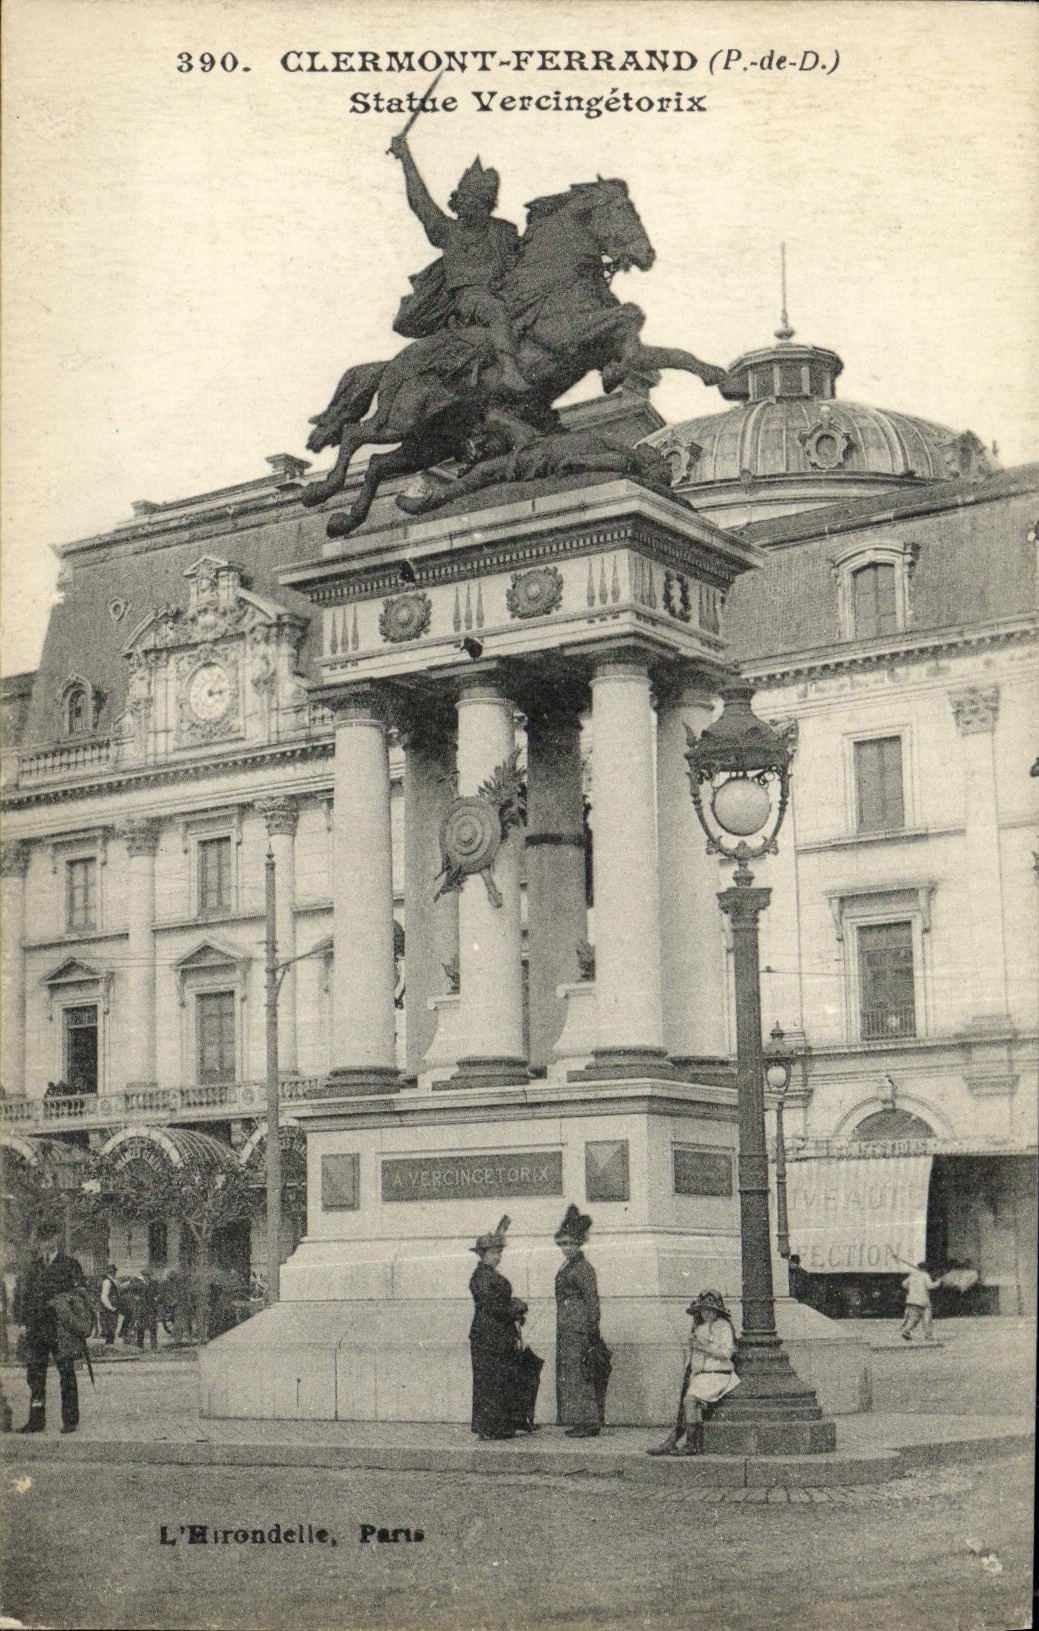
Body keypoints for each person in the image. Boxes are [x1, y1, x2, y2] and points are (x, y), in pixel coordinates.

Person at [388, 134, 528, 396]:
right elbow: (420, 202)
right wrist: (406, 159)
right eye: (462, 202)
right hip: (470, 299)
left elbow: (524, 258)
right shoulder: (447, 231)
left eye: (474, 203)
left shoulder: (504, 231)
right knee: (495, 309)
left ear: (486, 206)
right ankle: (509, 369)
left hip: (507, 291)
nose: (465, 208)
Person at [648, 1290, 740, 1457]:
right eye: (704, 1310)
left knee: (690, 1400)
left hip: (718, 1373)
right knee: (688, 1402)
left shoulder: (724, 1327)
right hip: (701, 1375)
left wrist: (703, 1347)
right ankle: (678, 1440)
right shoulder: (698, 1329)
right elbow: (693, 1358)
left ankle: (689, 1443)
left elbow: (727, 1353)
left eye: (712, 1310)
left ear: (718, 1312)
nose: (708, 1314)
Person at [16, 1227, 88, 1435]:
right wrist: (23, 1323)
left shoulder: (70, 1265)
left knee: (67, 1374)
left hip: (61, 1329)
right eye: (42, 1239)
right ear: (38, 1242)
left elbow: (80, 1296)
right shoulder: (33, 1267)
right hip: (37, 1330)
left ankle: (70, 1420)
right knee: (35, 1377)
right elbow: (24, 1297)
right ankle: (36, 1421)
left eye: (50, 1238)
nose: (46, 1243)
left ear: (58, 1239)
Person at [554, 1204, 608, 1438]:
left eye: (571, 1243)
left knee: (582, 1373)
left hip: (579, 1328)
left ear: (579, 1244)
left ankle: (589, 1421)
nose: (567, 1248)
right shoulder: (567, 1266)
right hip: (567, 1326)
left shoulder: (584, 1269)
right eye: (564, 1244)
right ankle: (578, 1420)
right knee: (572, 1374)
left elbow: (592, 1300)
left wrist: (591, 1329)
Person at [468, 1216, 521, 1441]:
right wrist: (515, 1309)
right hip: (488, 1335)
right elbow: (492, 1306)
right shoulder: (480, 1277)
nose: (496, 1257)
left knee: (500, 1379)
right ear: (482, 1255)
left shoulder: (490, 1275)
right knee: (490, 1381)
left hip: (499, 1334)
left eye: (498, 1253)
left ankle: (500, 1425)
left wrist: (514, 1307)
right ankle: (490, 1427)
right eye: (491, 1253)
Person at [510, 1299, 544, 1435]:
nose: (522, 1319)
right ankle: (523, 1420)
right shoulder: (512, 1328)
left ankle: (527, 1420)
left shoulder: (516, 1326)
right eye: (520, 1316)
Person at [898, 1260, 944, 1341]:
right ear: (926, 1268)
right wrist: (938, 1282)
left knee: (913, 1318)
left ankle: (906, 1331)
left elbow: (904, 1284)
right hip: (923, 1300)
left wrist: (913, 1289)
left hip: (912, 1299)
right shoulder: (925, 1276)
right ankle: (928, 1336)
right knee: (927, 1318)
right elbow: (930, 1286)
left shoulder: (912, 1275)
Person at [136, 1269, 160, 1351]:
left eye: (148, 1275)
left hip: (151, 1308)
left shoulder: (154, 1284)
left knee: (153, 1328)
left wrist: (156, 1299)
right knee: (140, 1329)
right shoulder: (139, 1284)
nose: (147, 1277)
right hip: (142, 1309)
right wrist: (137, 1298)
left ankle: (154, 1347)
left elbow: (158, 1294)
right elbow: (133, 1292)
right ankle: (140, 1347)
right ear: (143, 1276)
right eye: (145, 1275)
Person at [98, 1264, 120, 1345]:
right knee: (110, 1327)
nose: (114, 1273)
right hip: (108, 1309)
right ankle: (109, 1344)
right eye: (112, 1271)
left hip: (113, 1307)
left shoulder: (114, 1280)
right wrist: (110, 1307)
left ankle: (110, 1344)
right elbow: (104, 1296)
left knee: (113, 1326)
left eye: (114, 1271)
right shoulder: (107, 1281)